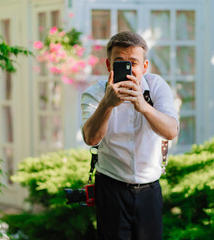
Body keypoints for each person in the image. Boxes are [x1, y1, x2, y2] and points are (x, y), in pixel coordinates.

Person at [81, 31, 179, 240]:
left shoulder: (156, 87)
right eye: (120, 62)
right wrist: (106, 105)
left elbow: (171, 131)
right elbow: (91, 138)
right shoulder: (95, 94)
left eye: (133, 63)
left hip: (149, 190)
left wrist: (143, 106)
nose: (127, 68)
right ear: (109, 65)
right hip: (111, 188)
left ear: (144, 67)